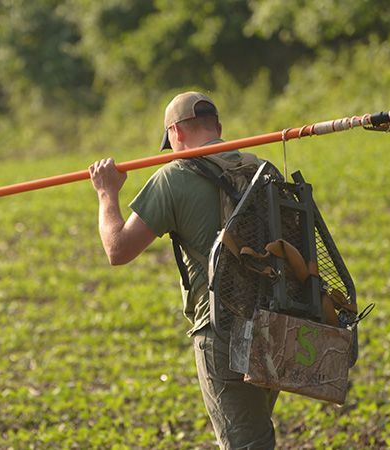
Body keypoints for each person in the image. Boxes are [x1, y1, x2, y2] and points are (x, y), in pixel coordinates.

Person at [88, 92, 278, 449]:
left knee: (248, 444)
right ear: (218, 127)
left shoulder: (174, 177)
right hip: (275, 324)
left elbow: (117, 249)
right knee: (256, 431)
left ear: (175, 132)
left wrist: (106, 194)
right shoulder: (260, 168)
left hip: (221, 329)